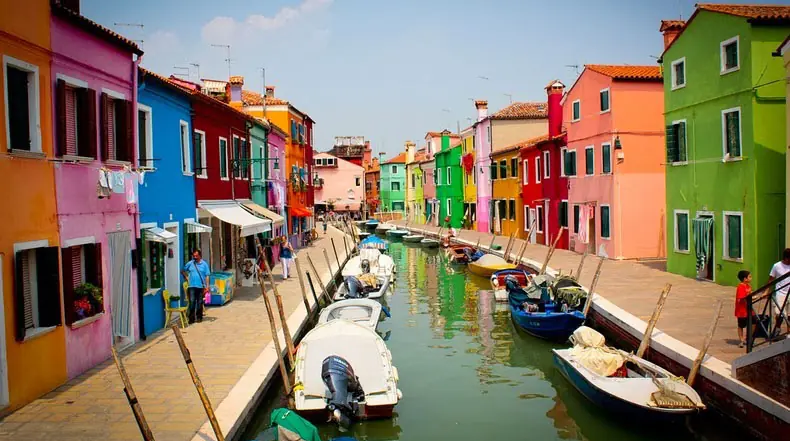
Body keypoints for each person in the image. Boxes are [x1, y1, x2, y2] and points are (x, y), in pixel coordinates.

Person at [183, 249, 210, 324]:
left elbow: (207, 275)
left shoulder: (204, 264)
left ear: (200, 255)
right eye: (194, 256)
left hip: (201, 286)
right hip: (191, 286)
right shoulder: (190, 263)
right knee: (192, 302)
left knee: (200, 302)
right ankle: (191, 318)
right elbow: (183, 270)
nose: (195, 257)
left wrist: (207, 286)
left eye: (196, 256)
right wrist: (187, 277)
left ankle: (199, 317)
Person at [767, 248, 790, 334]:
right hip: (781, 292)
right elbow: (771, 279)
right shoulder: (777, 266)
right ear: (786, 258)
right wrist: (767, 291)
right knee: (779, 314)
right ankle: (777, 328)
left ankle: (789, 332)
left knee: (789, 315)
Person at [735, 270, 755, 348]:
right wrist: (750, 298)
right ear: (744, 278)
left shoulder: (749, 286)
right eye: (749, 276)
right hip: (742, 310)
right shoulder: (741, 286)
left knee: (754, 322)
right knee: (741, 325)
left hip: (749, 308)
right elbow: (741, 298)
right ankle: (741, 340)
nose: (751, 278)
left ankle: (748, 338)